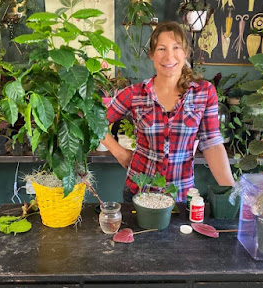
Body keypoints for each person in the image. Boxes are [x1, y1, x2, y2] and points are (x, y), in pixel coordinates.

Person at [101, 21, 235, 203]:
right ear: (152, 55)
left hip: (179, 196)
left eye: (176, 47)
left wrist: (231, 193)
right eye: (161, 49)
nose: (169, 56)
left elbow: (212, 144)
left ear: (185, 52)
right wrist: (119, 153)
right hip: (139, 193)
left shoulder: (203, 93)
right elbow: (96, 121)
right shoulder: (135, 94)